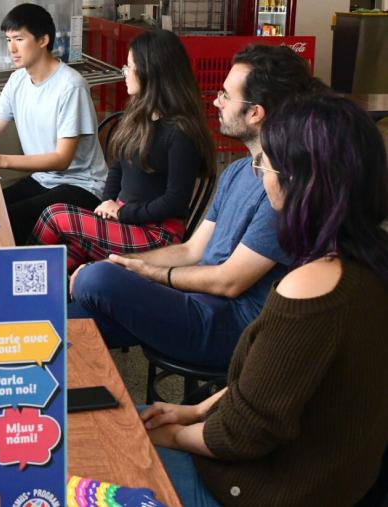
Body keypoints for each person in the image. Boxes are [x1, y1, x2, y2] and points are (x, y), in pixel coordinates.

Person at [139, 93, 388, 507]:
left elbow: (243, 433)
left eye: (265, 165)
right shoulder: (371, 257)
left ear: (299, 182)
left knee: (92, 447)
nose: (260, 175)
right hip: (338, 477)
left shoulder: (312, 285)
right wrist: (195, 412)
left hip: (275, 487)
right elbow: (269, 388)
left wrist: (175, 436)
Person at [69, 44, 321, 369]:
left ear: (255, 113)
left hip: (232, 326)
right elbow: (192, 250)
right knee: (72, 317)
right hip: (196, 303)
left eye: (225, 95)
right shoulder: (237, 171)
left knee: (97, 280)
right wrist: (123, 263)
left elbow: (229, 282)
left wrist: (145, 273)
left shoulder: (283, 188)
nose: (216, 101)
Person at [31, 30, 215, 273]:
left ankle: (22, 280)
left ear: (151, 72)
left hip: (157, 235)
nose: (124, 73)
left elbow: (175, 202)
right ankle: (40, 290)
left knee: (54, 216)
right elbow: (117, 168)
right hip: (125, 221)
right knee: (66, 256)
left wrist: (122, 212)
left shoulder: (181, 132)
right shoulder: (139, 116)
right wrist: (107, 203)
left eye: (130, 67)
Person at [0, 3, 108, 245]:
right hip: (43, 180)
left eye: (19, 39)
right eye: (8, 39)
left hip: (82, 186)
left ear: (43, 40)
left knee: (6, 220)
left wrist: (0, 160)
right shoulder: (17, 80)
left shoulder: (70, 86)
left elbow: (62, 159)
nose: (12, 48)